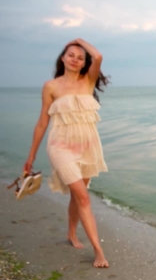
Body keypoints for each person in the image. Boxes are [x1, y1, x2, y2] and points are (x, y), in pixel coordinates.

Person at [23, 38, 110, 268]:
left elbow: (98, 57)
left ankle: (72, 233)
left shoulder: (88, 80)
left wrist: (79, 40)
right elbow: (43, 122)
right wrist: (31, 155)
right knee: (83, 196)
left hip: (87, 145)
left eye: (80, 57)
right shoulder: (51, 86)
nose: (75, 59)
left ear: (84, 64)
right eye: (71, 54)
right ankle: (99, 252)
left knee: (77, 195)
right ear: (62, 58)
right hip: (60, 146)